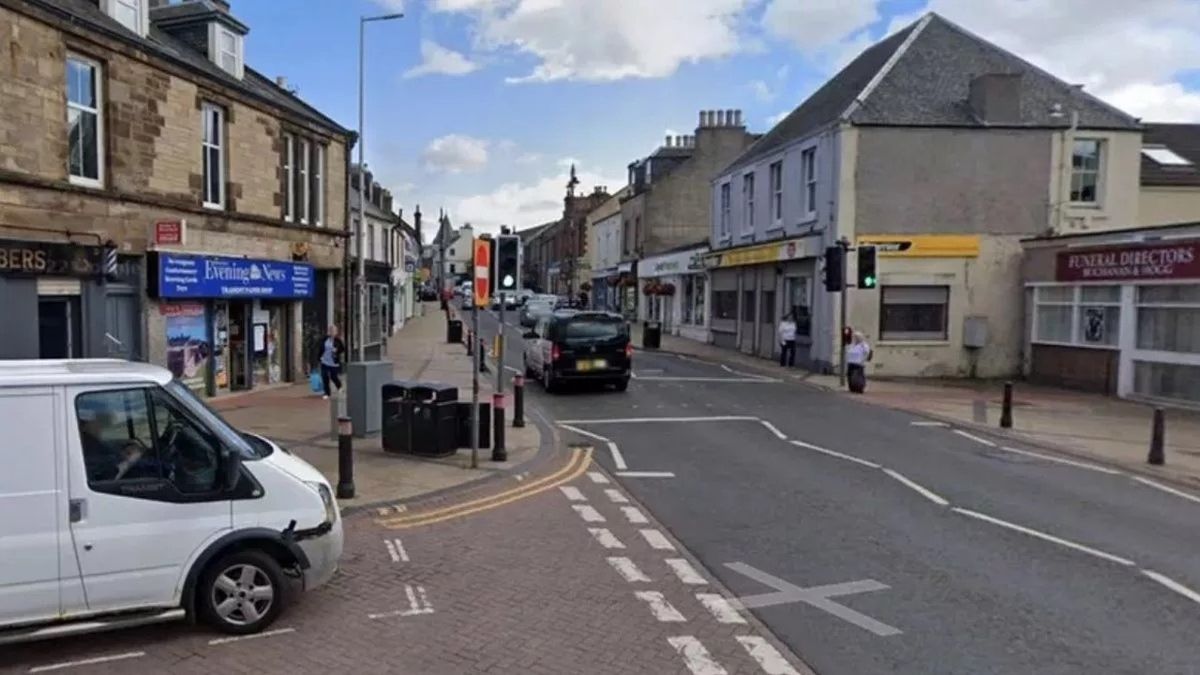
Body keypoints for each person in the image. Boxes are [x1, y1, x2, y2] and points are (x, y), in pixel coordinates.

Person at [316, 324, 347, 400]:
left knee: (333, 377)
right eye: (330, 330)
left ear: (336, 332)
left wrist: (337, 351)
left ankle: (339, 386)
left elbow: (343, 349)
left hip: (333, 362)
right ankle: (327, 393)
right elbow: (320, 348)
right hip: (325, 361)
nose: (331, 332)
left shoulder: (338, 340)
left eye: (333, 331)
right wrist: (319, 357)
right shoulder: (324, 339)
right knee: (325, 376)